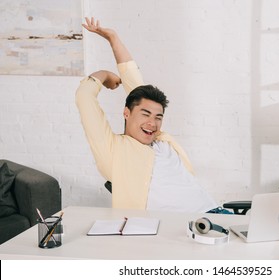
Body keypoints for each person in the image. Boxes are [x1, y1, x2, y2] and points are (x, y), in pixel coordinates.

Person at [76, 17, 229, 213]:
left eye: (158, 117)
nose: (152, 123)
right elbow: (84, 96)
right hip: (188, 229)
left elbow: (133, 79)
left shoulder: (162, 141)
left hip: (217, 212)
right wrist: (104, 75)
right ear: (126, 113)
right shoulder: (113, 150)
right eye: (145, 114)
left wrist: (112, 38)